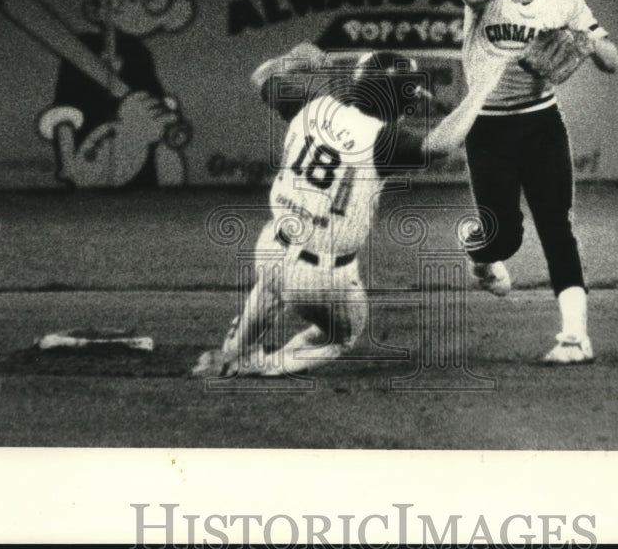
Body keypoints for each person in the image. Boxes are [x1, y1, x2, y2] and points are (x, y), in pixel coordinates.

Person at [193, 43, 499, 378]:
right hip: (322, 276)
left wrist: (293, 60)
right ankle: (263, 366)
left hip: (271, 248)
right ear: (397, 98)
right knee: (341, 337)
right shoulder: (382, 140)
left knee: (269, 289)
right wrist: (482, 89)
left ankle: (230, 354)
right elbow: (441, 144)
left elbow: (263, 75)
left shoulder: (313, 106)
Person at [458, 0, 618, 364]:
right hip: (487, 127)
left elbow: (613, 61)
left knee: (556, 225)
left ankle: (575, 337)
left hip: (540, 123)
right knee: (503, 237)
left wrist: (589, 42)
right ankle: (481, 252)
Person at [39, 0, 203, 188]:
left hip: (144, 171)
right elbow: (64, 115)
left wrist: (162, 121)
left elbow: (154, 107)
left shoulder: (139, 54)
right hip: (93, 158)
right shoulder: (83, 47)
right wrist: (68, 163)